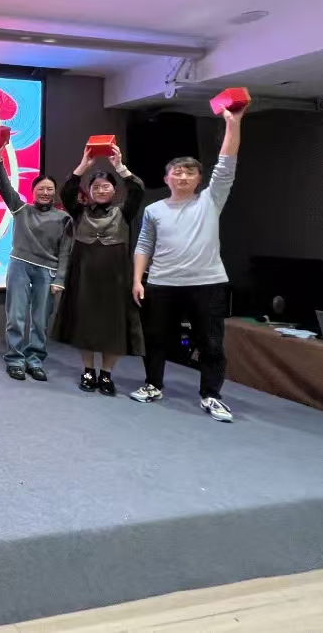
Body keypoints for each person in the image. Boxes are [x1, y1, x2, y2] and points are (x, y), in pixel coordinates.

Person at [132, 103, 247, 421]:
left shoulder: (211, 200)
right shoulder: (154, 210)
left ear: (199, 179)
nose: (182, 176)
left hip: (207, 284)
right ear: (166, 178)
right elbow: (144, 245)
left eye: (189, 172)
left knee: (211, 343)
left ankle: (211, 395)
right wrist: (137, 280)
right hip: (161, 283)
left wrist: (233, 123)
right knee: (155, 340)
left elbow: (226, 164)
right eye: (177, 171)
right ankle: (153, 384)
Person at [51, 144, 145, 395]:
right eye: (96, 187)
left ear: (114, 190)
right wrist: (84, 165)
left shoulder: (124, 212)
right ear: (90, 191)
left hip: (116, 280)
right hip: (84, 279)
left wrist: (120, 167)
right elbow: (67, 191)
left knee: (114, 329)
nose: (101, 190)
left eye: (106, 186)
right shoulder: (79, 212)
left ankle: (106, 374)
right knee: (85, 327)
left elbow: (137, 189)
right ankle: (88, 371)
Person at [0, 159, 73, 381]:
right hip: (19, 265)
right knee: (16, 317)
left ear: (55, 192)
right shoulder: (21, 209)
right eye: (41, 189)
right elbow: (5, 187)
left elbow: (65, 252)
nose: (45, 193)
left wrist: (60, 279)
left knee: (40, 320)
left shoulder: (64, 218)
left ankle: (35, 360)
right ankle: (15, 360)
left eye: (50, 189)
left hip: (47, 272)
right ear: (33, 191)